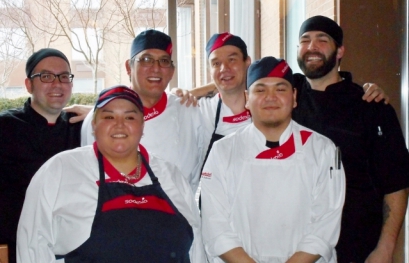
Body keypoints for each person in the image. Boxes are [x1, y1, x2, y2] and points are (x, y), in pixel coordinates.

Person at [17, 85, 205, 262]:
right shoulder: (60, 171)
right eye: (109, 117)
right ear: (94, 125)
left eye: (130, 117)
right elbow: (32, 245)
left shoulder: (170, 175)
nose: (119, 125)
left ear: (142, 126)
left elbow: (196, 249)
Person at [201, 56, 346, 262]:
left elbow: (325, 225)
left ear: (294, 97)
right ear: (247, 99)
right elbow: (215, 226)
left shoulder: (323, 149)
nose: (270, 97)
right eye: (260, 90)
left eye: (280, 89)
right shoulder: (223, 151)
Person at [292, 15, 409, 262]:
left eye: (322, 40)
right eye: (305, 40)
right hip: (293, 246)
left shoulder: (372, 106)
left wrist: (385, 248)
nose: (312, 47)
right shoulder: (285, 98)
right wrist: (192, 93)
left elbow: (396, 183)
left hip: (357, 247)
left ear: (340, 50)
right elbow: (236, 81)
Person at [81, 30, 207, 194]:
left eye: (164, 61)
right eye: (146, 60)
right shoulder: (101, 119)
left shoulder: (189, 112)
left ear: (172, 71)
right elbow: (90, 178)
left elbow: (196, 174)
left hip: (178, 215)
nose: (156, 68)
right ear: (129, 67)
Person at [0, 48, 82, 263]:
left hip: (75, 247)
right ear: (28, 85)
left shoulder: (83, 127)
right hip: (17, 246)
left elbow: (128, 117)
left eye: (64, 76)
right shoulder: (5, 127)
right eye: (46, 76)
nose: (57, 84)